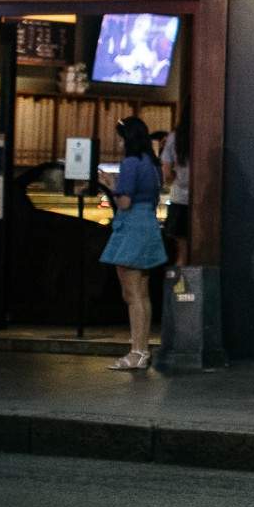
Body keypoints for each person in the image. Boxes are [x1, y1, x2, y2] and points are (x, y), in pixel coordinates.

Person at [100, 116, 167, 371]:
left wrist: (111, 185)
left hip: (131, 229)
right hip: (148, 226)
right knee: (143, 293)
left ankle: (136, 352)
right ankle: (143, 350)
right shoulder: (152, 164)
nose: (117, 141)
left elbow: (124, 202)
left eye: (119, 136)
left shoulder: (130, 163)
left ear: (127, 138)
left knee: (131, 294)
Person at [157, 125, 191, 282]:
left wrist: (175, 179)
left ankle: (178, 295)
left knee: (180, 254)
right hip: (203, 201)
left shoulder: (175, 137)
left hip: (179, 199)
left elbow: (167, 171)